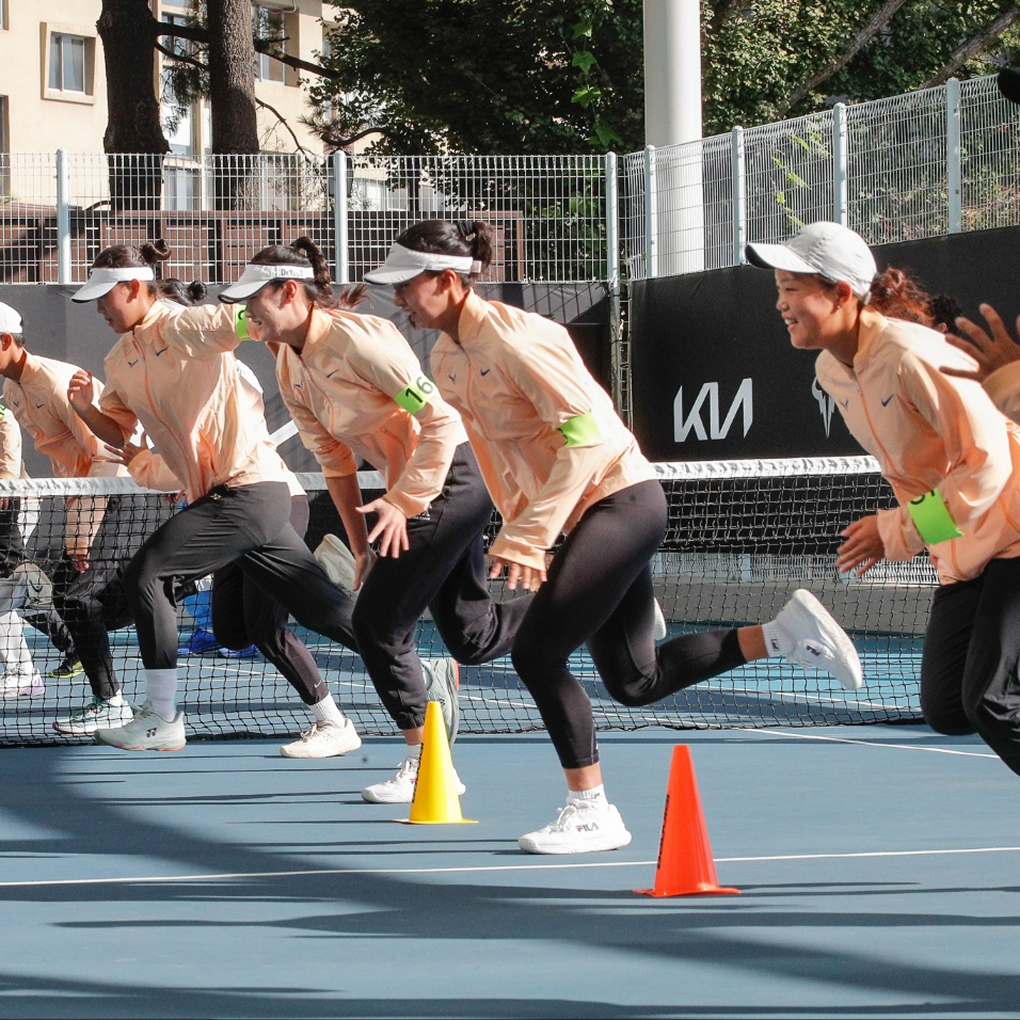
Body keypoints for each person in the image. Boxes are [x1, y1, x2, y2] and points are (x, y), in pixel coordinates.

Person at [365, 220, 863, 854]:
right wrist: (472, 514)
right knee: (636, 681)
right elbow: (484, 451)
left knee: (536, 654)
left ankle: (591, 810)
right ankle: (781, 634)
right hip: (582, 515)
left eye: (406, 286)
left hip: (621, 501)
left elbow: (587, 438)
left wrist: (530, 534)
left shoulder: (522, 340)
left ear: (445, 280)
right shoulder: (444, 354)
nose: (399, 299)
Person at [218, 237, 532, 802]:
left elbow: (439, 420)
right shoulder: (291, 366)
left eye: (253, 300)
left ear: (289, 293)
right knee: (473, 637)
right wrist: (360, 544)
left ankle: (428, 765)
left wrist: (406, 500)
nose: (246, 314)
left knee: (377, 626)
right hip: (412, 489)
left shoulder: (359, 342)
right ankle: (595, 592)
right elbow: (336, 464)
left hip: (451, 475)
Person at [745, 219, 1020, 779]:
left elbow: (988, 462)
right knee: (947, 708)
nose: (781, 303)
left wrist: (896, 532)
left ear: (842, 293)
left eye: (792, 289)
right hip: (968, 550)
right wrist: (934, 542)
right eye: (778, 289)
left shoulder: (909, 354)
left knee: (992, 701)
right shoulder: (832, 370)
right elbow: (920, 474)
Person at [67, 241, 364, 754]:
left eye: (104, 296)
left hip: (250, 490)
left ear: (135, 288)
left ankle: (161, 716)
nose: (98, 308)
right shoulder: (119, 359)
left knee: (149, 572)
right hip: (231, 499)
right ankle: (407, 673)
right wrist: (85, 410)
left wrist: (304, 323)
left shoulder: (183, 326)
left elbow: (241, 323)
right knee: (284, 619)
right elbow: (120, 430)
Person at [0, 299, 136, 731]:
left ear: (5, 341)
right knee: (70, 596)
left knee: (76, 596)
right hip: (87, 499)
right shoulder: (11, 388)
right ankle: (112, 700)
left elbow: (104, 456)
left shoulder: (58, 383)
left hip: (120, 494)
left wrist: (80, 534)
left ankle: (113, 702)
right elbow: (66, 462)